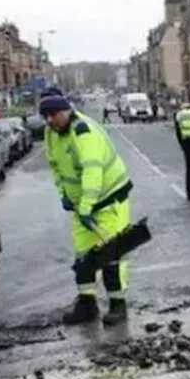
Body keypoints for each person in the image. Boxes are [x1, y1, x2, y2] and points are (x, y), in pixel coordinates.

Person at [38, 87, 134, 327]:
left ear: (65, 110)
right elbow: (57, 168)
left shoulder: (84, 132)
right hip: (82, 205)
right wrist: (65, 196)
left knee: (111, 254)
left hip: (109, 200)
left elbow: (93, 172)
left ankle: (117, 304)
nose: (50, 120)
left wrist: (86, 206)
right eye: (45, 116)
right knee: (83, 256)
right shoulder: (51, 133)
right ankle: (87, 304)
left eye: (53, 115)